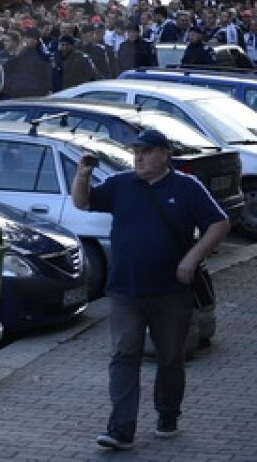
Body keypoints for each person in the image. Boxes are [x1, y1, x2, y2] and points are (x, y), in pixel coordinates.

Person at [72, 128, 230, 450]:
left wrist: (192, 258)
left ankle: (168, 415)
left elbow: (220, 223)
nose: (138, 158)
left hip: (171, 292)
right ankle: (121, 429)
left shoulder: (186, 187)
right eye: (136, 152)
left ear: (164, 154)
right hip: (125, 291)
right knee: (124, 354)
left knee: (170, 357)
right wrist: (82, 174)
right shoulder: (121, 184)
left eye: (145, 152)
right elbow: (82, 202)